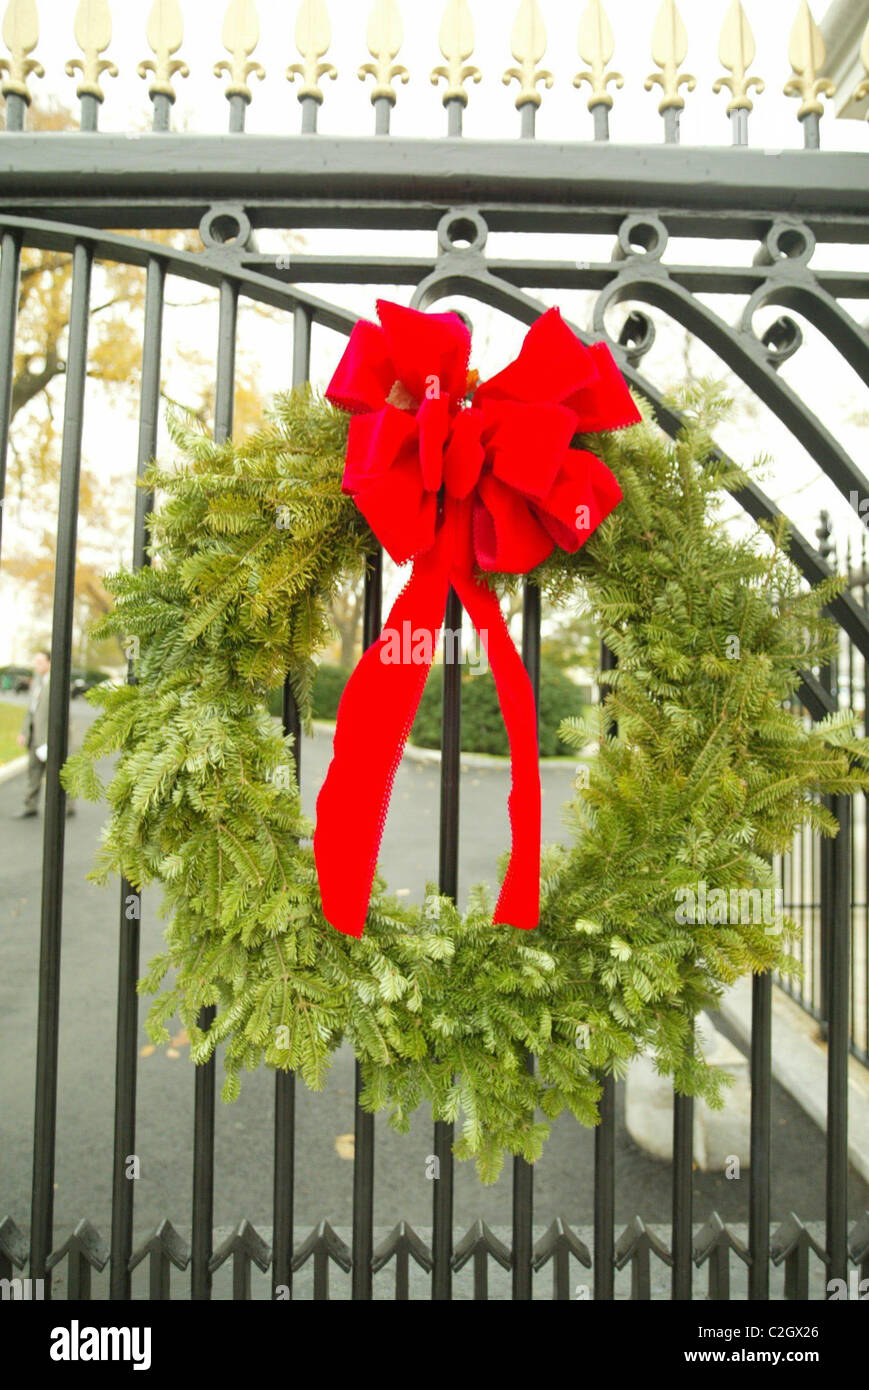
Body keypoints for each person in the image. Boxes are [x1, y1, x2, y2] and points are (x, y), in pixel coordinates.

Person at [14, 649, 75, 820]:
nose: (36, 665)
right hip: (35, 735)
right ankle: (30, 805)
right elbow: (31, 710)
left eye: (40, 662)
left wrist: (53, 738)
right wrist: (24, 732)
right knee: (33, 771)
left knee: (57, 773)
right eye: (35, 662)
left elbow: (62, 714)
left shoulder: (57, 683)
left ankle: (68, 805)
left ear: (49, 663)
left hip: (50, 738)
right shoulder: (37, 682)